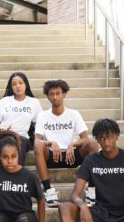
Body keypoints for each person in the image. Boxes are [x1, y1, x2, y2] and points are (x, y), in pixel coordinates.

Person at [33, 79, 99, 207]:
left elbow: (85, 138)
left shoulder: (74, 114)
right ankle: (48, 190)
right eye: (51, 94)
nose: (55, 97)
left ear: (64, 95)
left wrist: (72, 145)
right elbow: (37, 140)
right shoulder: (42, 116)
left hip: (71, 156)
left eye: (58, 93)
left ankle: (92, 191)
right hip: (52, 156)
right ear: (47, 97)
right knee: (37, 145)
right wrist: (50, 143)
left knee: (93, 144)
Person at [0, 72, 42, 166]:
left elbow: (40, 124)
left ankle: (17, 174)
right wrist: (4, 129)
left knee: (20, 140)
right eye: (14, 84)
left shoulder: (33, 102)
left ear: (26, 84)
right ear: (11, 87)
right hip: (5, 135)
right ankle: (0, 176)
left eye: (20, 83)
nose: (17, 86)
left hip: (23, 138)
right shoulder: (5, 101)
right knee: (5, 141)